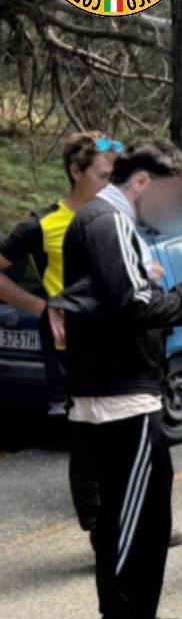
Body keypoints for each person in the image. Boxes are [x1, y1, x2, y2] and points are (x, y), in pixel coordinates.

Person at [53, 138, 182, 619]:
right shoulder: (109, 222)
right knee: (140, 524)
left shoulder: (104, 221)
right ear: (143, 182)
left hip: (110, 391)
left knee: (127, 521)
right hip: (122, 396)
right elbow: (134, 304)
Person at [0, 133, 116, 421]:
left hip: (121, 347)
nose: (111, 185)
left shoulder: (119, 216)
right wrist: (42, 308)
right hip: (73, 353)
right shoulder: (43, 225)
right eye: (103, 176)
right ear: (76, 172)